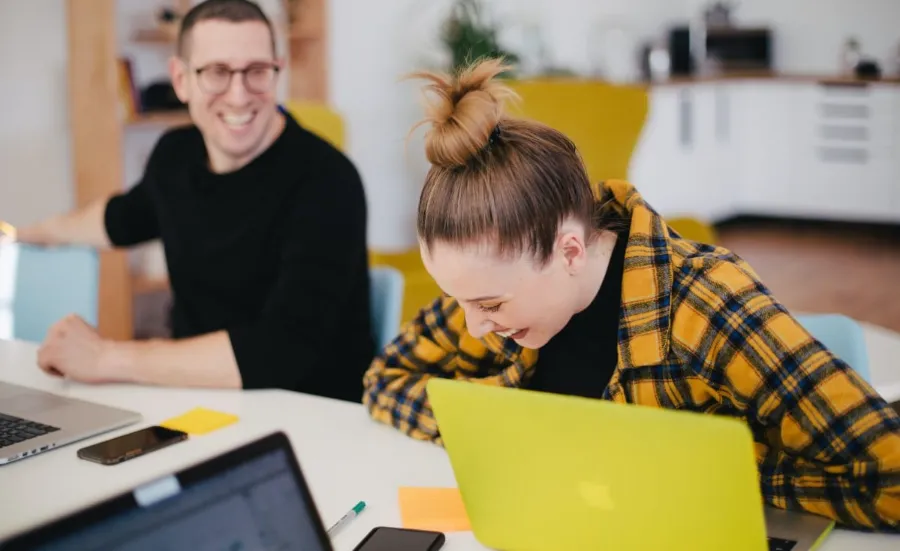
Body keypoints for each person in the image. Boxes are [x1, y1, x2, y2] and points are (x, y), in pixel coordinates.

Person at [362, 57, 900, 531]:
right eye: (459, 300)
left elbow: (890, 476)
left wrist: (719, 469)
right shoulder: (492, 291)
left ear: (570, 251)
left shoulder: (708, 304)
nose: (474, 325)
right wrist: (503, 431)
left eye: (490, 306)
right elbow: (385, 381)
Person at [7, 0, 374, 402]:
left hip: (312, 415)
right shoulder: (175, 156)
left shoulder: (328, 180)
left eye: (256, 72)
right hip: (196, 399)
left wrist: (106, 357)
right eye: (216, 72)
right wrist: (22, 232)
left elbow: (282, 350)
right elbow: (121, 219)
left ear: (277, 72)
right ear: (181, 80)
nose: (238, 96)